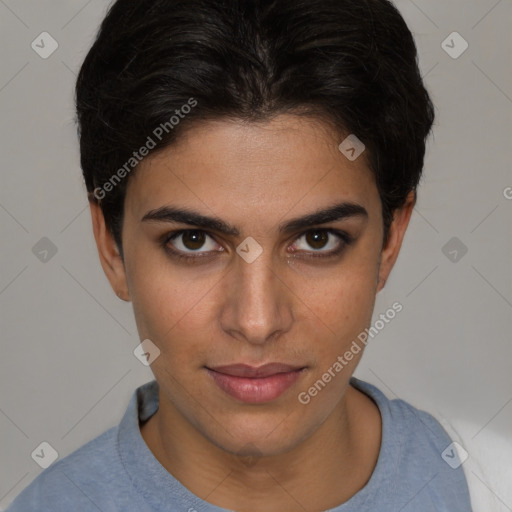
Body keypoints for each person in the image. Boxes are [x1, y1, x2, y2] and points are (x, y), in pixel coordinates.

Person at [7, 0, 473, 510]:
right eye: (193, 241)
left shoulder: (481, 477)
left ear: (391, 240)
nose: (256, 321)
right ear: (110, 246)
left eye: (318, 239)